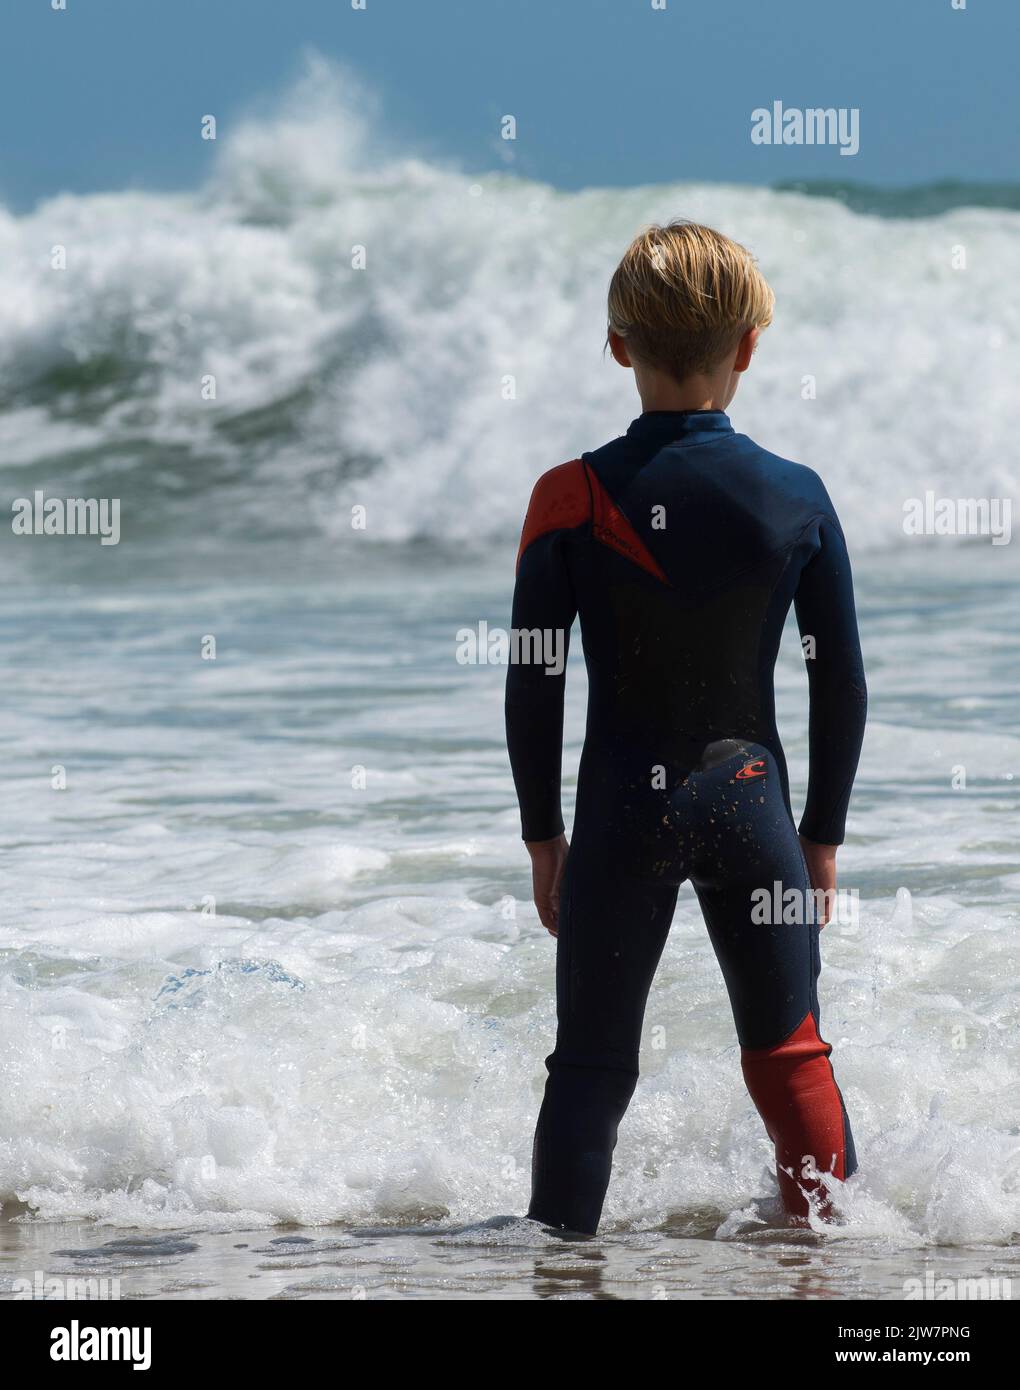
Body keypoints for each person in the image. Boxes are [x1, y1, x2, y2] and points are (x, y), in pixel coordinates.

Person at [504, 221, 867, 1236]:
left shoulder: (567, 497)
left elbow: (536, 677)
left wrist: (544, 836)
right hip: (754, 807)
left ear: (618, 346)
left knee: (591, 1063)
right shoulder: (797, 496)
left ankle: (559, 1266)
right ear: (749, 346)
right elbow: (839, 678)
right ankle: (830, 1254)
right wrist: (822, 835)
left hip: (621, 809)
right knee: (791, 1052)